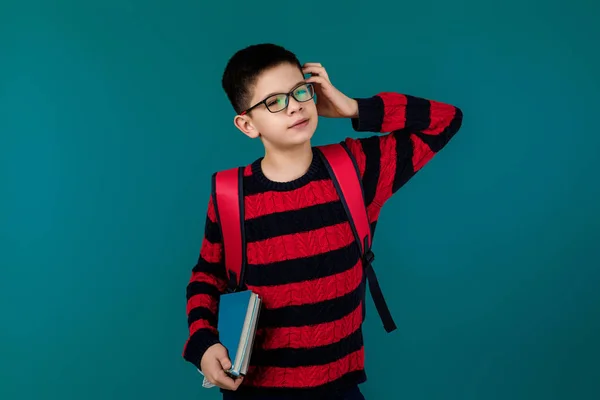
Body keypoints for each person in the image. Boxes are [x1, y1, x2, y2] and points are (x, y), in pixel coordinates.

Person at [182, 43, 463, 399]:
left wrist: (354, 108)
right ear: (247, 124)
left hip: (340, 386)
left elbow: (445, 120)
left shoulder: (357, 168)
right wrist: (204, 344)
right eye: (274, 101)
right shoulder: (229, 194)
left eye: (301, 91)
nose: (295, 105)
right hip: (254, 390)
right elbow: (207, 276)